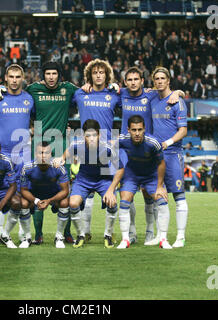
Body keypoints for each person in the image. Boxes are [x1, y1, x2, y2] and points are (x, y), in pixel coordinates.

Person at [0, 61, 79, 245]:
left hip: (61, 142)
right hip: (39, 145)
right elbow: (14, 89)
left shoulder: (68, 89)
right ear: (43, 76)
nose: (51, 77)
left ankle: (67, 232)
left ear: (59, 76)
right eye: (47, 73)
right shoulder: (33, 90)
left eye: (54, 74)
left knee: (66, 189)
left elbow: (85, 91)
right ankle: (38, 234)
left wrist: (111, 87)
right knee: (37, 187)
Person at [118, 66, 183, 245]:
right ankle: (131, 233)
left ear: (142, 81)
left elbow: (166, 90)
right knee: (126, 194)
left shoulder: (151, 94)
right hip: (127, 149)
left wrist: (178, 92)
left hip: (148, 149)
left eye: (136, 79)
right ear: (125, 82)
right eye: (129, 80)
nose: (133, 82)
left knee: (149, 193)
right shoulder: (120, 94)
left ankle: (150, 231)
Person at [53, 119, 125, 249]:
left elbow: (120, 168)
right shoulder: (77, 145)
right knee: (73, 203)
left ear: (99, 135)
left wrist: (111, 190)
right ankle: (81, 235)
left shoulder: (107, 148)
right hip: (83, 179)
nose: (91, 139)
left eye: (94, 135)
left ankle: (108, 235)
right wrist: (62, 158)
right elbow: (68, 152)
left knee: (112, 202)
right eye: (88, 136)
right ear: (83, 136)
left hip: (103, 179)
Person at [71, 59, 121, 243]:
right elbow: (61, 95)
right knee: (88, 193)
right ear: (89, 76)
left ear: (107, 75)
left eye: (102, 72)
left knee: (113, 195)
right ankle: (86, 232)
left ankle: (113, 233)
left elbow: (135, 101)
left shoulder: (115, 95)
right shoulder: (79, 93)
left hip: (106, 152)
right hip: (85, 149)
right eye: (95, 72)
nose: (98, 75)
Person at [0, 64, 35, 245]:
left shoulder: (30, 99)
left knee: (24, 196)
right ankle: (0, 233)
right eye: (11, 77)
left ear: (23, 78)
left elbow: (38, 120)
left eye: (18, 77)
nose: (15, 80)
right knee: (2, 195)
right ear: (6, 79)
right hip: (3, 154)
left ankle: (26, 235)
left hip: (24, 154)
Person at [117, 115, 172, 249]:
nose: (137, 133)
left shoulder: (153, 142)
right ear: (128, 130)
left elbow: (161, 164)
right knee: (124, 200)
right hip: (131, 175)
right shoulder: (120, 140)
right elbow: (107, 150)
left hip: (150, 176)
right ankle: (125, 239)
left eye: (140, 130)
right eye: (134, 130)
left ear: (144, 129)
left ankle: (163, 239)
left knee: (162, 201)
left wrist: (159, 186)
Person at [148, 66, 188, 248]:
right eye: (156, 78)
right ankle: (160, 235)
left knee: (179, 196)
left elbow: (183, 130)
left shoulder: (177, 102)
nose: (159, 81)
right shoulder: (152, 98)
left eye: (162, 78)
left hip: (172, 154)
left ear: (168, 80)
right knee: (159, 196)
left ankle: (180, 236)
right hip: (156, 156)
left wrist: (168, 142)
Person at [20, 142, 71, 248]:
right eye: (40, 152)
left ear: (50, 155)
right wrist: (36, 201)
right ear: (36, 154)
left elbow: (65, 191)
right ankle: (28, 237)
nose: (43, 156)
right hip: (35, 195)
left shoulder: (58, 167)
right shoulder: (27, 168)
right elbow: (23, 190)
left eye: (46, 153)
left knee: (65, 202)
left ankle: (59, 237)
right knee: (23, 203)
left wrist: (49, 200)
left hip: (54, 195)